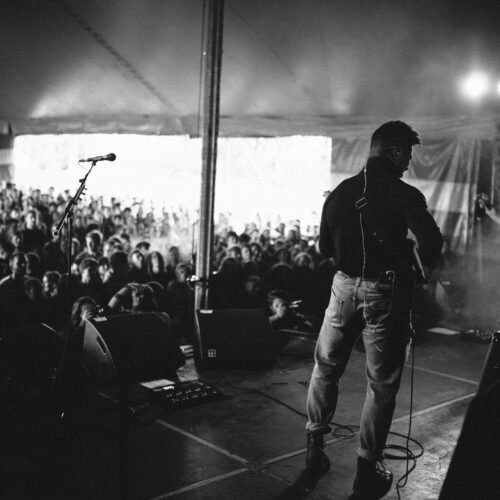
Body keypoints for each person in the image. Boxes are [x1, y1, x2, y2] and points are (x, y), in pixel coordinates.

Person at [305, 121, 443, 500]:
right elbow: (432, 242)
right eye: (407, 153)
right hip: (385, 291)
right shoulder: (405, 195)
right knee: (381, 384)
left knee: (325, 368)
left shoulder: (339, 193)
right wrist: (412, 259)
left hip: (342, 288)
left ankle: (314, 451)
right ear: (394, 152)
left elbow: (324, 248)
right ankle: (366, 471)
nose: (409, 161)